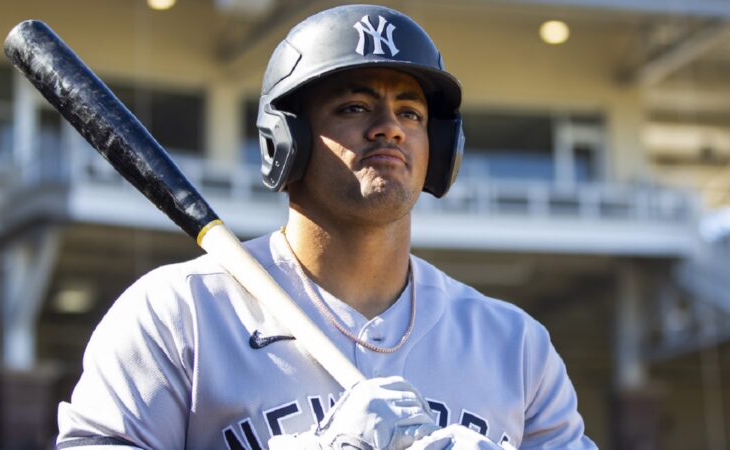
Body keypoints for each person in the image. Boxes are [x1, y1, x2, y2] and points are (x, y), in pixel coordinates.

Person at [57, 4, 596, 449]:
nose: (389, 128)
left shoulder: (514, 345)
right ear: (286, 142)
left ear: (441, 149)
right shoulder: (180, 313)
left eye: (410, 113)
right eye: (355, 107)